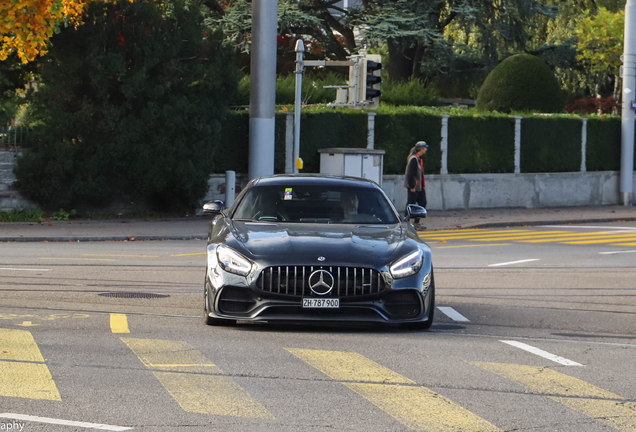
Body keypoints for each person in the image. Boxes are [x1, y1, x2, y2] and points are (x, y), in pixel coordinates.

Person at [403, 141, 428, 229]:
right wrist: (412, 186)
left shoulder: (418, 159)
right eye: (425, 148)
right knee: (411, 204)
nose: (426, 149)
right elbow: (410, 174)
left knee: (422, 203)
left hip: (419, 186)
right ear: (421, 149)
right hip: (414, 186)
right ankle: (406, 223)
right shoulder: (413, 159)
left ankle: (416, 223)